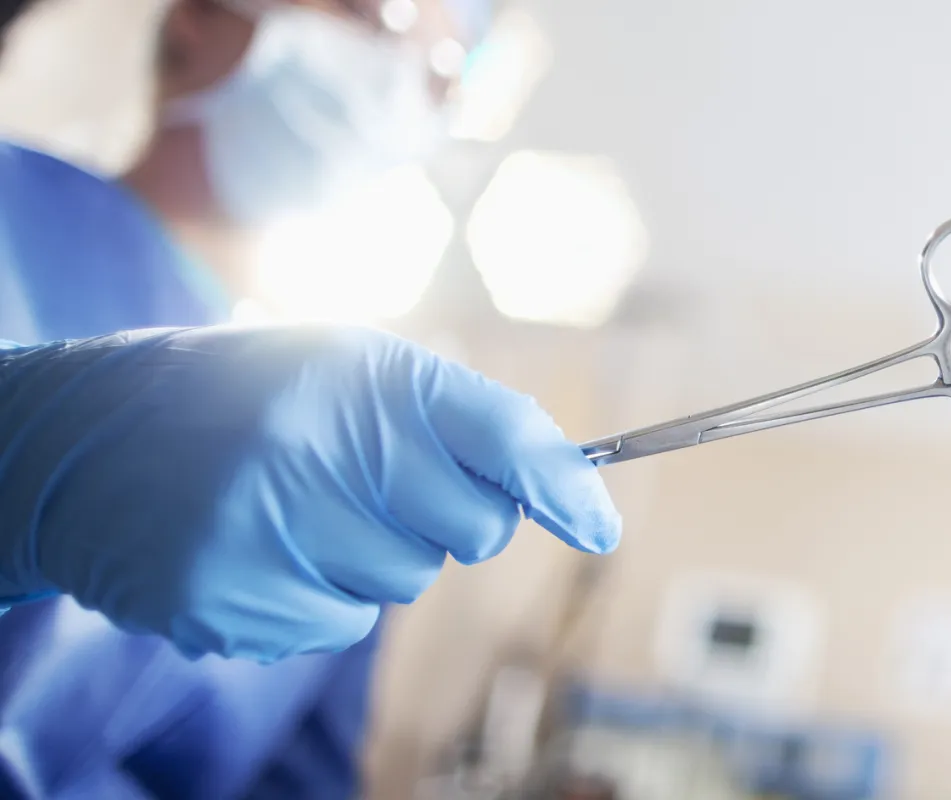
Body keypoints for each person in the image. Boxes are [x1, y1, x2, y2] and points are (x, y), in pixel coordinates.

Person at [0, 1, 621, 796]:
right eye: (377, 15)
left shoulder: (342, 462)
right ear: (195, 22)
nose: (402, 84)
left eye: (439, 78)